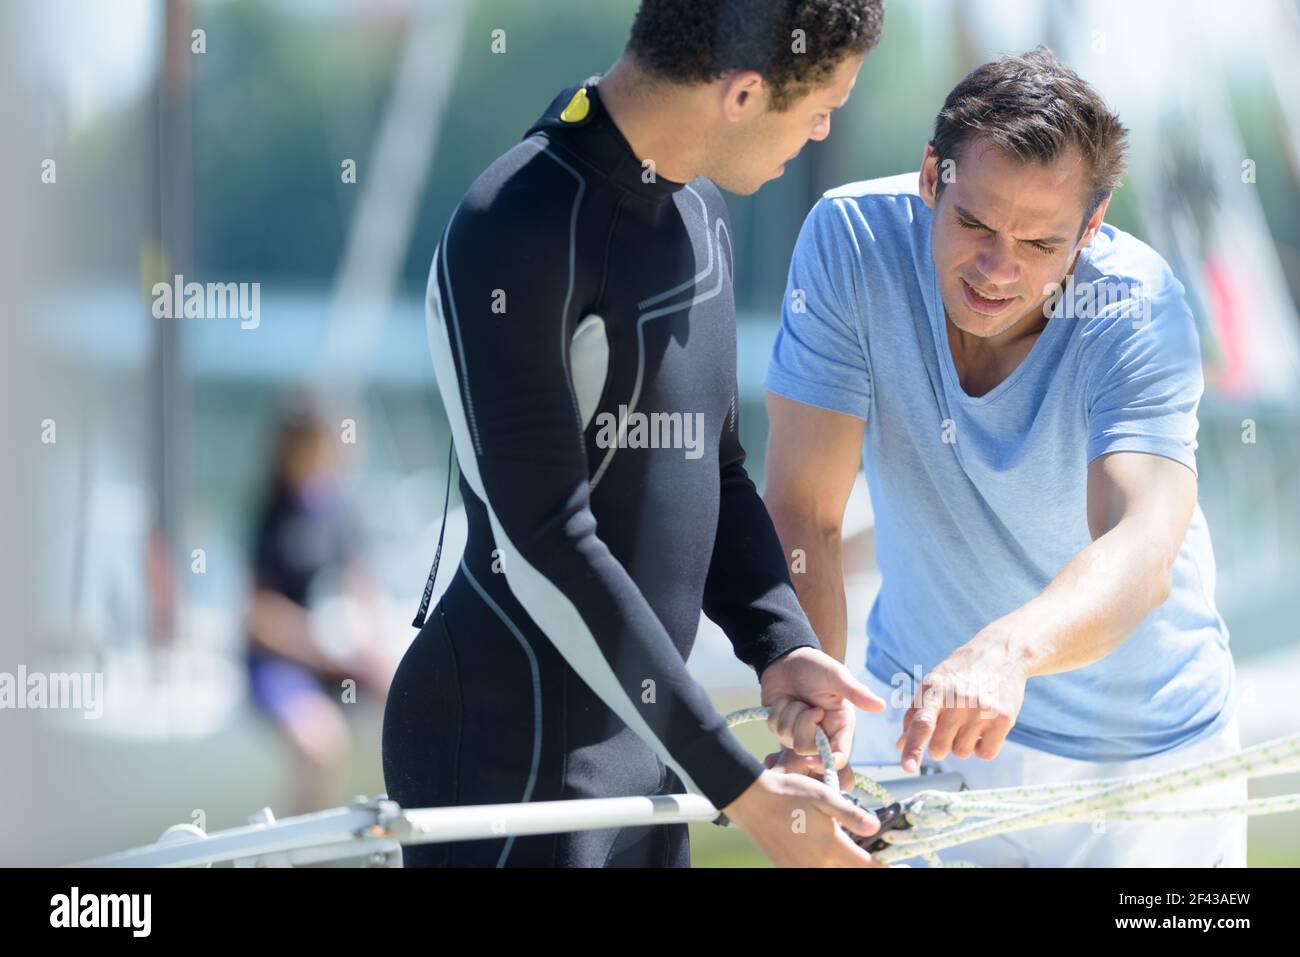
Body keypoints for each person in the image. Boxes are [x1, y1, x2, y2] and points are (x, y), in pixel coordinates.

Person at [382, 0, 891, 868]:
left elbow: (717, 469)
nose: (821, 131)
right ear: (741, 96)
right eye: (821, 107)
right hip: (507, 757)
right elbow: (548, 539)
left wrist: (782, 643)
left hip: (646, 754)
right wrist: (739, 787)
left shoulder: (699, 216)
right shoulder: (515, 223)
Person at [762, 47, 1244, 866]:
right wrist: (810, 685)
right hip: (919, 737)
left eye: (1038, 243)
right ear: (930, 178)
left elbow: (1141, 546)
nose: (996, 269)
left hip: (1148, 769)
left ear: (1091, 230)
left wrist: (1006, 651)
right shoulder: (850, 242)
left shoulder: (1141, 308)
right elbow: (806, 509)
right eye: (976, 224)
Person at [245, 396, 393, 815]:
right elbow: (258, 618)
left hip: (334, 659)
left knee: (405, 698)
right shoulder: (272, 514)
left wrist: (369, 648)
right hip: (279, 663)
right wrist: (319, 647)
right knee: (321, 744)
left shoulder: (334, 509)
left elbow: (361, 585)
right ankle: (306, 860)